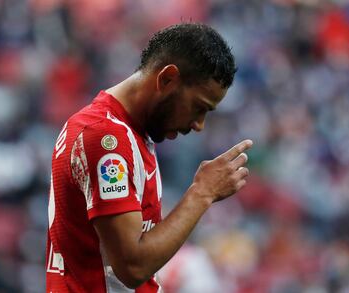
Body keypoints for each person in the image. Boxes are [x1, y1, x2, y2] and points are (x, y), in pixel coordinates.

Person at [46, 23, 253, 293]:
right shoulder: (107, 138)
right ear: (167, 79)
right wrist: (203, 193)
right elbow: (132, 267)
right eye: (199, 107)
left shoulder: (129, 132)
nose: (199, 124)